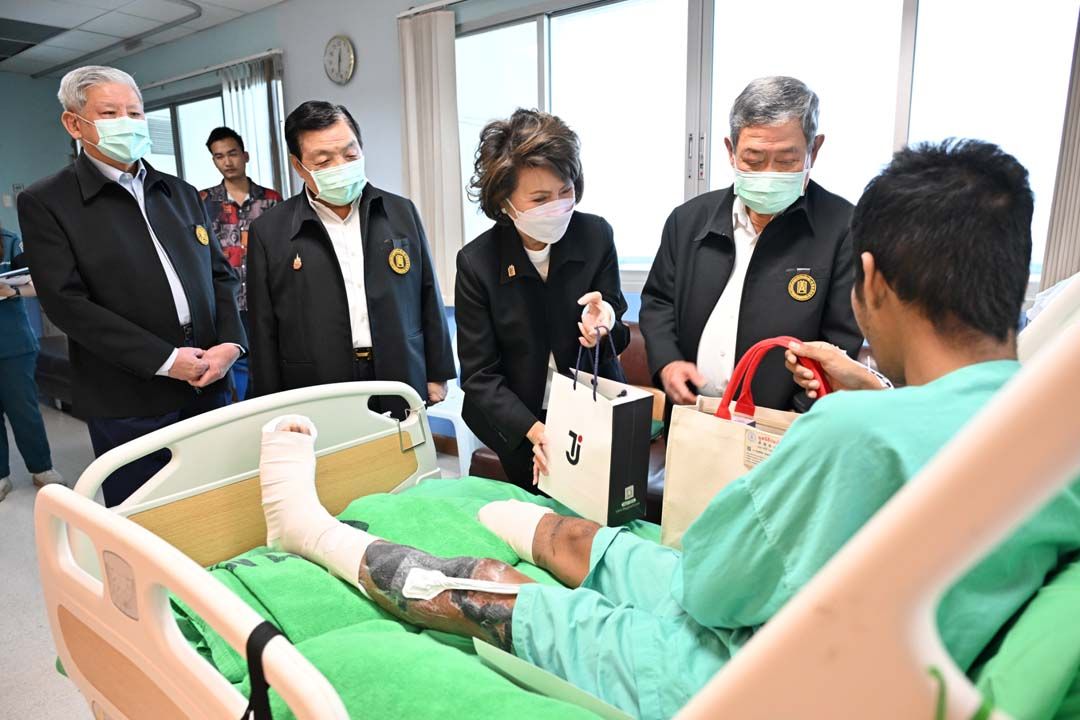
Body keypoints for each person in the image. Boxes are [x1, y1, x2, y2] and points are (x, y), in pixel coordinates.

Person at [250, 140, 1080, 719]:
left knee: (497, 590)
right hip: (803, 616)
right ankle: (517, 519)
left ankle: (311, 532)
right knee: (583, 538)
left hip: (730, 670)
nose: (555, 206)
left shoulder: (856, 433)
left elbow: (711, 585)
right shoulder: (1047, 434)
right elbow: (484, 376)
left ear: (870, 280)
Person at [18, 66, 246, 506]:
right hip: (128, 396)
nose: (128, 122)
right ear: (74, 124)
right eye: (110, 113)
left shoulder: (179, 192)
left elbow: (220, 275)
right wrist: (166, 360)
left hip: (209, 379)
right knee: (144, 516)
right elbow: (66, 303)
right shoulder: (48, 202)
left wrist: (231, 345)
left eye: (135, 113)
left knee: (219, 505)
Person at [640, 76, 861, 415]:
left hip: (784, 427)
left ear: (813, 150)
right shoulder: (688, 221)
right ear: (730, 151)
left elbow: (841, 341)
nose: (768, 175)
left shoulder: (843, 229)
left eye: (786, 160)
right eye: (754, 160)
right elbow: (658, 302)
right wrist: (667, 362)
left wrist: (794, 416)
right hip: (692, 417)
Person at [455, 109, 630, 490]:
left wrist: (606, 325)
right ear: (504, 201)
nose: (558, 206)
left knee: (600, 503)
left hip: (592, 406)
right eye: (539, 198)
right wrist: (535, 431)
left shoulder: (596, 236)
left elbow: (617, 335)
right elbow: (479, 375)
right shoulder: (477, 263)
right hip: (519, 419)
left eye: (565, 191)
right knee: (538, 507)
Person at [246, 101, 455, 417]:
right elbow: (263, 328)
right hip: (316, 382)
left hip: (399, 369)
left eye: (350, 155)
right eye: (323, 161)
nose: (340, 166)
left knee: (403, 447)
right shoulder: (269, 231)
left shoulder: (400, 212)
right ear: (299, 166)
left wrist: (438, 371)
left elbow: (427, 293)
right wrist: (270, 406)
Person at [199, 126, 283, 400]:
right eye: (219, 156)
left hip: (264, 297)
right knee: (233, 364)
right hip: (225, 301)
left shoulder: (271, 200)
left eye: (232, 153)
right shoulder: (203, 201)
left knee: (266, 359)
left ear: (245, 155)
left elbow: (281, 249)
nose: (227, 162)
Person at [0, 226, 64, 502]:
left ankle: (41, 468)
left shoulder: (9, 241)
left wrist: (11, 291)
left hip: (13, 345)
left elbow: (38, 285)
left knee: (23, 410)